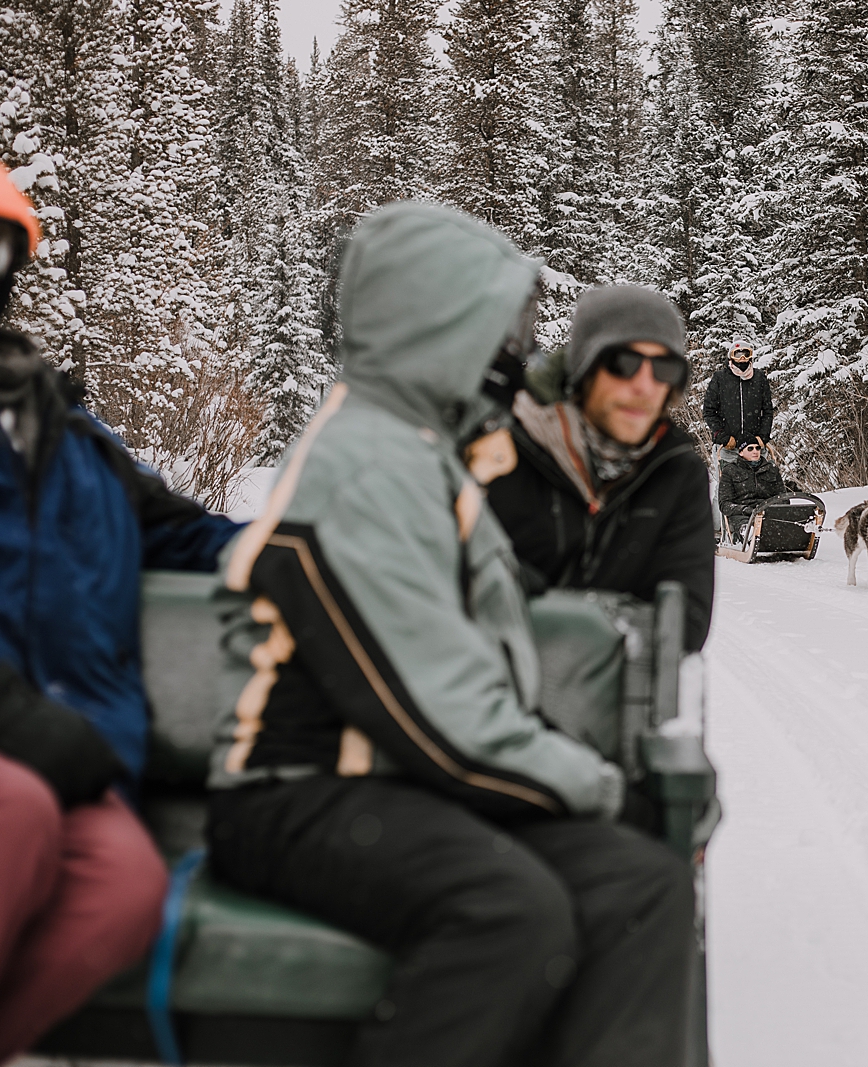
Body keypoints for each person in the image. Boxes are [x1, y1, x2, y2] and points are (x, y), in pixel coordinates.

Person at [205, 203, 695, 1067]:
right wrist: (598, 785)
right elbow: (440, 710)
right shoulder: (364, 468)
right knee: (510, 909)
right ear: (436, 327)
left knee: (639, 884)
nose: (515, 354)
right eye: (498, 330)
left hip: (394, 779)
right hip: (304, 789)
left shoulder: (424, 453)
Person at [0, 119, 241, 1067]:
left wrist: (308, 547)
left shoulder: (66, 429)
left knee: (121, 888)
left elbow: (184, 532)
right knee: (6, 808)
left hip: (63, 748)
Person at [488, 285, 715, 651]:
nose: (644, 385)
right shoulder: (502, 450)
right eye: (623, 363)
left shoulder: (678, 473)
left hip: (607, 704)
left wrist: (530, 609)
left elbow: (681, 628)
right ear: (585, 367)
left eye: (663, 367)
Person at [701, 339, 772, 460]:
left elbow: (767, 410)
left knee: (760, 478)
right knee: (728, 478)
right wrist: (723, 437)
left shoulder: (759, 378)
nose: (743, 358)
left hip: (754, 448)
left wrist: (762, 436)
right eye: (738, 355)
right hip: (728, 449)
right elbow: (709, 411)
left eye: (746, 354)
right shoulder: (720, 378)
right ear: (731, 357)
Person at [717, 439, 786, 542]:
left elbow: (783, 497)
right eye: (750, 448)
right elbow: (724, 504)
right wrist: (744, 509)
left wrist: (769, 508)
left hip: (768, 511)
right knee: (744, 524)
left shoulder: (771, 469)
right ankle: (749, 535)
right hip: (743, 514)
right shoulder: (730, 471)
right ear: (741, 452)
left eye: (757, 448)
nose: (755, 451)